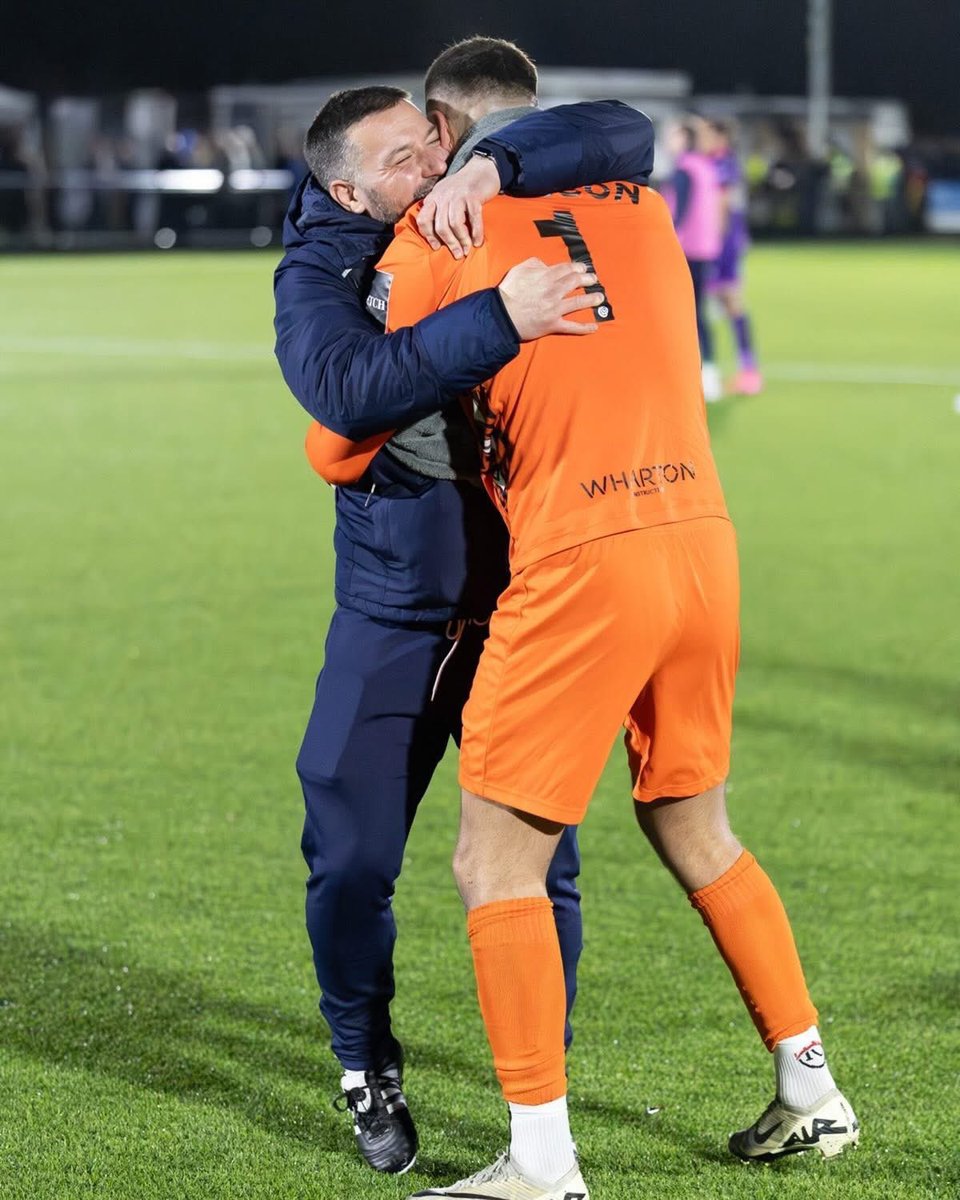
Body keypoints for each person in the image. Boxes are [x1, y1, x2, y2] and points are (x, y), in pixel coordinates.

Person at [323, 37, 859, 1199]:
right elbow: (616, 135)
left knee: (493, 861)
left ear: (447, 137)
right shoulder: (646, 204)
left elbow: (337, 432)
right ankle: (812, 1089)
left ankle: (541, 1163)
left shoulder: (437, 234)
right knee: (693, 824)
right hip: (703, 545)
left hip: (584, 558)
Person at [273, 80, 656, 1176]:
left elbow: (626, 130)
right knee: (348, 858)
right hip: (395, 605)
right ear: (346, 187)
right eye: (403, 163)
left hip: (532, 594)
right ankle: (365, 1061)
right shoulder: (319, 266)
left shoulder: (472, 192)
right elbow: (346, 389)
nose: (429, 172)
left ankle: (539, 1097)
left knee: (544, 864)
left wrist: (493, 164)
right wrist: (502, 319)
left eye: (433, 147)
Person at [664, 121, 723, 402]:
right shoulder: (705, 166)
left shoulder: (684, 168)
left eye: (672, 135)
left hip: (684, 250)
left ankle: (696, 373)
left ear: (684, 139)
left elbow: (679, 213)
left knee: (686, 314)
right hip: (704, 249)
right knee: (698, 312)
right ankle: (710, 373)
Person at [703, 119, 763, 395]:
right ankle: (717, 368)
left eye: (708, 133)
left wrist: (714, 244)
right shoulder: (712, 162)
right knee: (712, 304)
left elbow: (723, 207)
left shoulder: (723, 164)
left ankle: (749, 370)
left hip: (722, 245)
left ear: (721, 137)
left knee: (730, 301)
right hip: (719, 243)